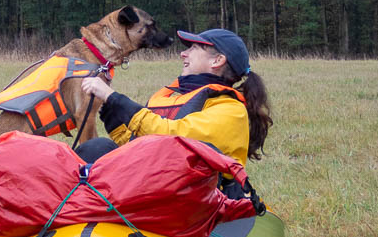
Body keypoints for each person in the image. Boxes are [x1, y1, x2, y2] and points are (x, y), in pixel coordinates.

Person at [79, 28, 272, 198]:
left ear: (218, 60)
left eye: (193, 49)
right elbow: (140, 147)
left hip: (194, 199)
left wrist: (116, 99)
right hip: (157, 184)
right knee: (96, 148)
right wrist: (111, 113)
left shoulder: (231, 110)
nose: (183, 54)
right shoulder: (171, 96)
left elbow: (173, 140)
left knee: (97, 149)